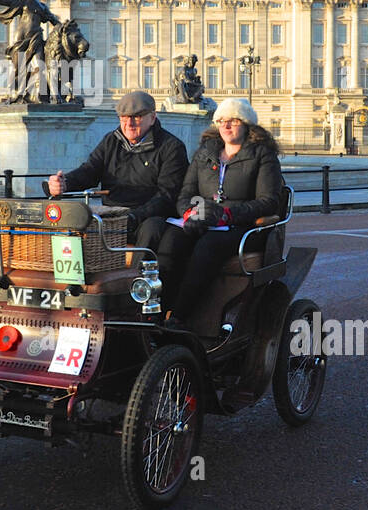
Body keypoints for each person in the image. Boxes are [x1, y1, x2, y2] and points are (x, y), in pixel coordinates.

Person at [157, 97, 284, 332]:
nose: (226, 126)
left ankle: (179, 316)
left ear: (246, 125)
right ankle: (159, 309)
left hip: (244, 226)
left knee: (208, 246)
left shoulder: (262, 155)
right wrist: (189, 215)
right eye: (221, 121)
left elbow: (268, 202)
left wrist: (226, 214)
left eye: (233, 121)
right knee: (171, 240)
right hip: (203, 219)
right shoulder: (205, 153)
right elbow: (185, 193)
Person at [46, 90, 189, 261]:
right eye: (124, 117)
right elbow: (90, 171)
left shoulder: (171, 147)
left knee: (153, 228)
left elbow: (167, 195)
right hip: (113, 213)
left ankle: (137, 281)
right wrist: (64, 183)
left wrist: (135, 216)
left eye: (137, 117)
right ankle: (80, 281)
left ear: (152, 117)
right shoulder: (112, 141)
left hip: (147, 217)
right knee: (76, 221)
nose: (129, 123)